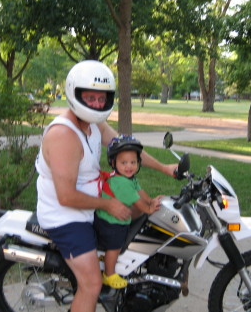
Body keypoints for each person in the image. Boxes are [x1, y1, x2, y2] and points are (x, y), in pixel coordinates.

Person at [35, 60, 177, 312]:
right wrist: (108, 204)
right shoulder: (63, 135)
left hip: (92, 204)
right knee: (91, 283)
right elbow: (66, 196)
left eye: (102, 98)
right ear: (74, 93)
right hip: (66, 216)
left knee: (147, 215)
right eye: (90, 97)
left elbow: (128, 151)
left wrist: (165, 168)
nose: (97, 104)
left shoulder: (94, 124)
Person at [95, 135, 163, 289]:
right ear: (113, 163)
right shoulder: (120, 182)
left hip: (115, 217)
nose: (129, 166)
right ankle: (109, 274)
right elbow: (137, 203)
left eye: (133, 162)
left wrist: (151, 201)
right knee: (115, 246)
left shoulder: (129, 178)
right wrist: (149, 208)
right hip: (110, 222)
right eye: (123, 162)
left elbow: (140, 192)